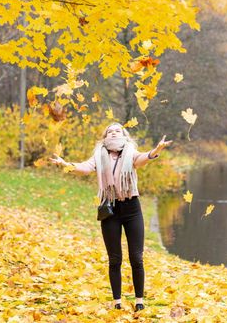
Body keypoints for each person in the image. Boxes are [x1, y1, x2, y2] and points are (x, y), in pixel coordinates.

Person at [49, 123, 172, 312]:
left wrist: (156, 150)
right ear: (105, 136)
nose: (113, 132)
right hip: (110, 209)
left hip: (132, 209)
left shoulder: (130, 152)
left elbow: (141, 160)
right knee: (115, 259)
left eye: (117, 130)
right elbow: (84, 168)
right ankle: (117, 302)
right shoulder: (99, 155)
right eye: (110, 131)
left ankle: (139, 301)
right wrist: (66, 165)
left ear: (124, 135)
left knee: (136, 258)